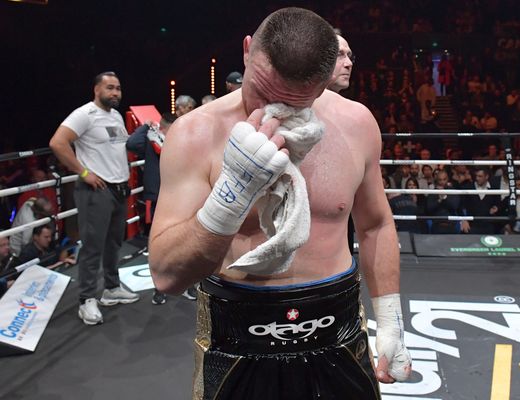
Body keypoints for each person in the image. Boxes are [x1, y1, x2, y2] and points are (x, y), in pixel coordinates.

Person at [149, 8, 411, 399]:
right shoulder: (194, 134)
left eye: (294, 102)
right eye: (263, 92)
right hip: (236, 335)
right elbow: (167, 276)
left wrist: (389, 320)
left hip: (337, 325)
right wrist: (231, 194)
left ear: (324, 83)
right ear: (246, 51)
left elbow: (374, 224)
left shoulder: (356, 124)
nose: (272, 112)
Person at [49, 71, 139, 326]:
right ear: (96, 89)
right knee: (92, 246)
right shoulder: (84, 114)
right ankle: (86, 299)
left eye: (118, 88)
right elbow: (58, 142)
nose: (115, 93)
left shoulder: (116, 116)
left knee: (113, 244)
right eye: (110, 88)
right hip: (96, 190)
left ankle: (111, 288)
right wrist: (84, 172)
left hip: (119, 189)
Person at [126, 112, 176, 305]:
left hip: (176, 197)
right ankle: (159, 288)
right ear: (162, 128)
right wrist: (145, 126)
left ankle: (187, 286)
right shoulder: (149, 141)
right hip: (156, 199)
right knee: (157, 245)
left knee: (180, 242)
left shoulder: (179, 143)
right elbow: (130, 144)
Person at [327, 32, 356, 253]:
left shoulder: (354, 117)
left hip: (343, 223)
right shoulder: (291, 112)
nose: (348, 63)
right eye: (339, 55)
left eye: (350, 56)